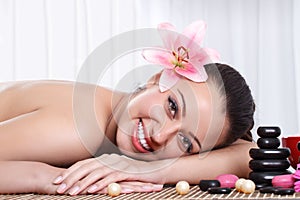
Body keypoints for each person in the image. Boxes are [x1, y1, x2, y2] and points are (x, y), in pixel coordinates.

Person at [0, 21, 256, 195]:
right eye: (172, 107)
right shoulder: (79, 129)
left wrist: (149, 170)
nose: (159, 136)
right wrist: (44, 178)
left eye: (186, 142)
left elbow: (250, 154)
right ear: (157, 78)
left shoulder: (111, 110)